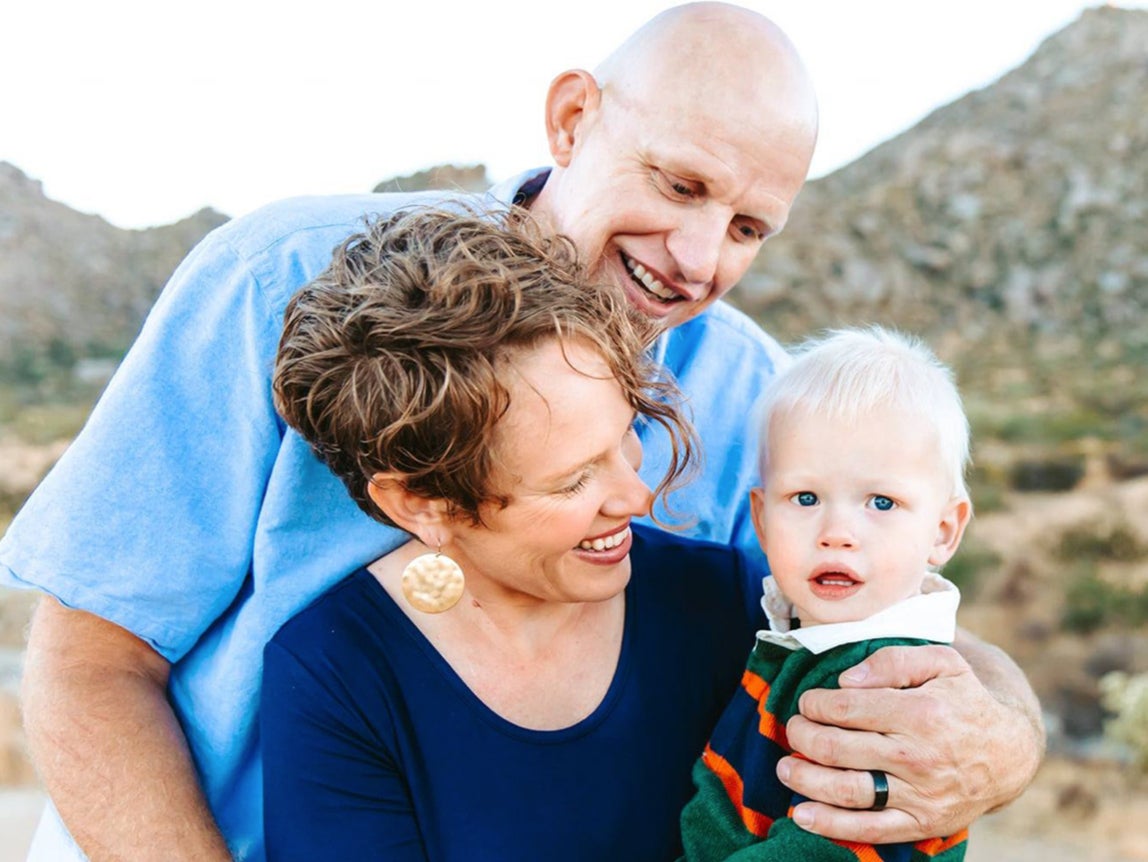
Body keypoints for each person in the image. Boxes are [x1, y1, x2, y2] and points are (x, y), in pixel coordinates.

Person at [4, 4, 1041, 860]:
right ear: (571, 117)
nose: (694, 257)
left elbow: (857, 602)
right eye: (678, 184)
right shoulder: (272, 282)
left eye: (745, 227)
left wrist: (1008, 730)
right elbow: (90, 664)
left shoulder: (752, 392)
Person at [261, 204, 762, 860]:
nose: (636, 497)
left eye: (626, 439)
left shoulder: (727, 601)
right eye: (572, 481)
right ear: (423, 504)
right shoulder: (333, 675)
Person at [679, 327, 974, 861]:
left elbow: (827, 850)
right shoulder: (800, 638)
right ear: (762, 521)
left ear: (943, 531)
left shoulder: (882, 682)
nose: (837, 531)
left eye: (881, 503)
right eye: (806, 496)